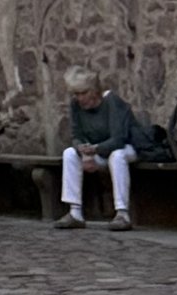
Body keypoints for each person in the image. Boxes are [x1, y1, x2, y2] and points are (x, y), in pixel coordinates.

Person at [59, 67, 139, 228]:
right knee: (69, 154)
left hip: (126, 148)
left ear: (94, 90)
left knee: (117, 156)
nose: (80, 98)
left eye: (84, 93)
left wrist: (94, 149)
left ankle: (122, 213)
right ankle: (75, 212)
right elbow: (76, 135)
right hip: (97, 151)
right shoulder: (76, 105)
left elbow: (118, 139)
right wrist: (84, 151)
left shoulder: (111, 101)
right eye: (76, 94)